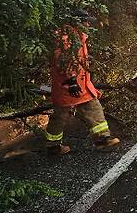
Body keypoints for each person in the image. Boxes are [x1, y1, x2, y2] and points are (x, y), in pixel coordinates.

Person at [45, 9, 120, 155]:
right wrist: (71, 79)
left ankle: (102, 139)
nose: (87, 24)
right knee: (61, 115)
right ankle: (53, 145)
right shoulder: (66, 38)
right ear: (76, 22)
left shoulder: (77, 36)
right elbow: (63, 59)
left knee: (91, 107)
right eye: (84, 21)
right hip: (68, 85)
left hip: (78, 84)